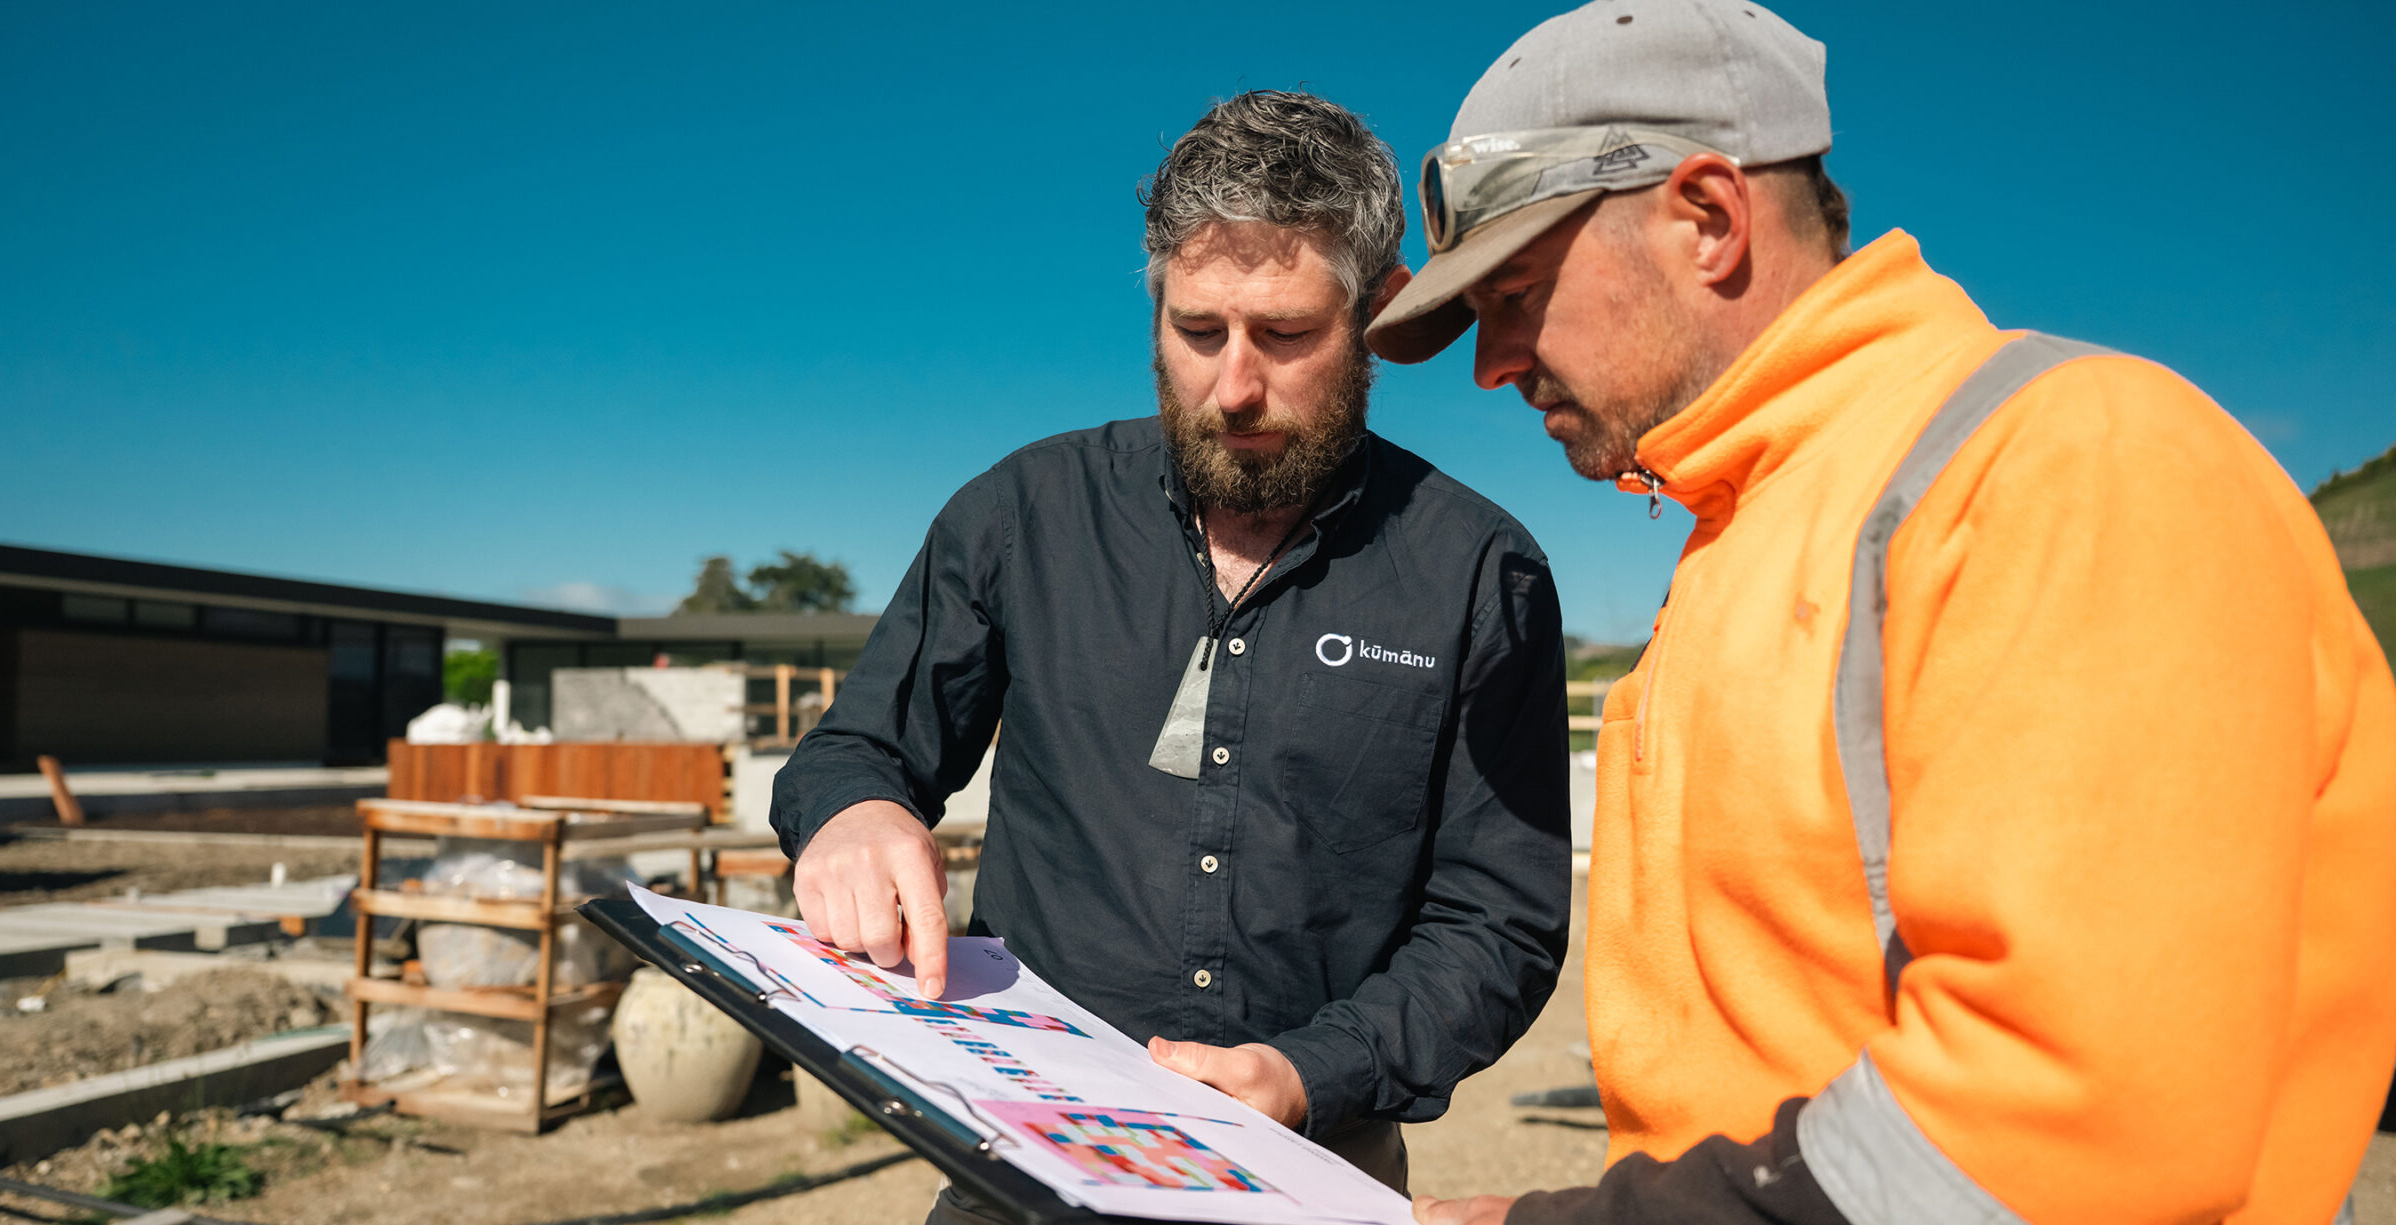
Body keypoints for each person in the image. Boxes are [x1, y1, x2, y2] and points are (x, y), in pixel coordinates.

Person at [1367, 3, 2396, 1223]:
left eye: (1517, 291)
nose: (1492, 363)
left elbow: (2072, 1118)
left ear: (1708, 219)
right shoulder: (1746, 538)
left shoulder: (2069, 462)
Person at [767, 90, 1573, 1222]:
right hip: (1022, 1158)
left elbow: (1498, 924)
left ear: (1380, 314)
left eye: (1285, 335)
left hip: (1311, 1168)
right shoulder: (1022, 514)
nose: (1233, 387)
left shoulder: (1479, 572)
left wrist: (1305, 1072)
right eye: (1197, 332)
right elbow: (856, 749)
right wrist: (852, 811)